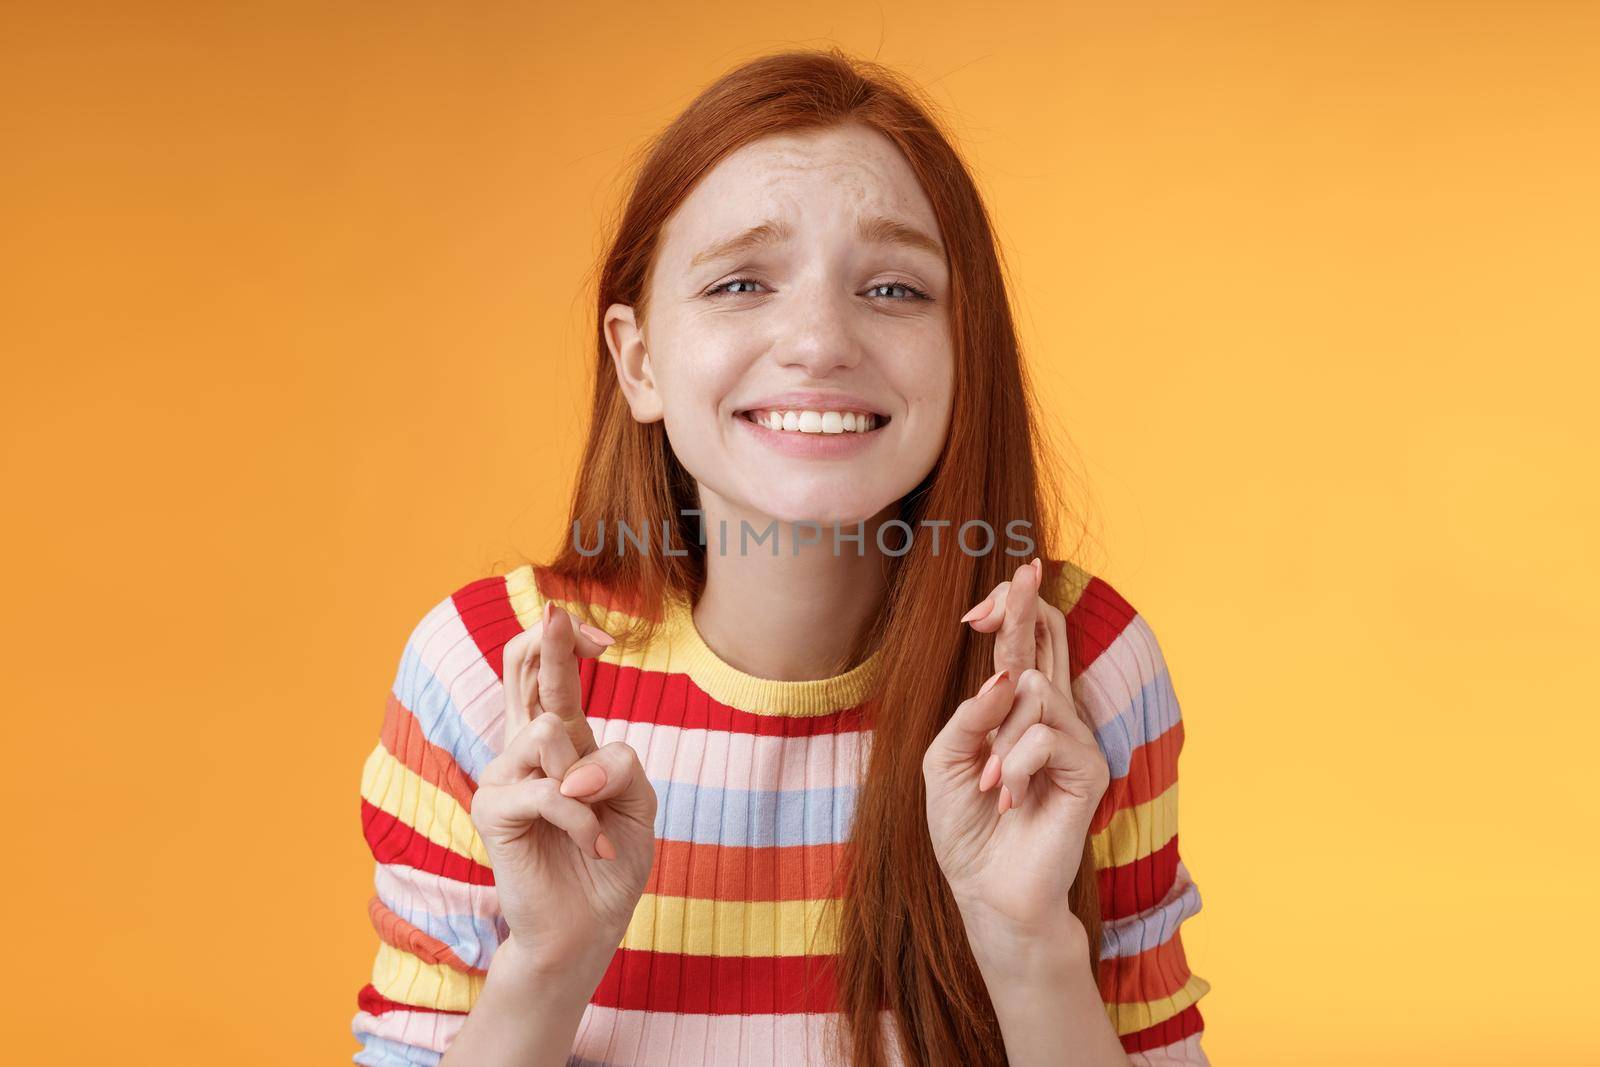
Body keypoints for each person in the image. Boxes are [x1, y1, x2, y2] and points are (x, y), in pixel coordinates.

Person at [351, 47, 1210, 1067]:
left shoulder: (1081, 675)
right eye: (741, 282)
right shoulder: (485, 673)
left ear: (963, 347)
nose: (817, 340)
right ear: (639, 360)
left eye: (892, 287)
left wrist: (1029, 949)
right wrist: (547, 959)